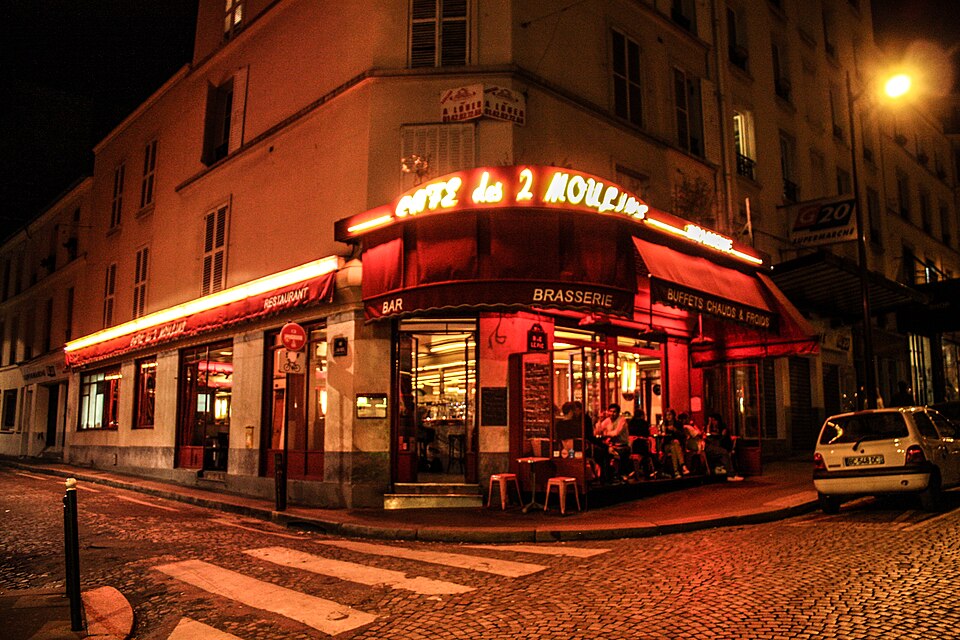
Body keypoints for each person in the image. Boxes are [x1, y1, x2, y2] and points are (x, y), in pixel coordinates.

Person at [704, 413, 743, 481]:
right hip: (710, 448)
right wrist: (709, 425)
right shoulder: (708, 427)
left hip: (723, 446)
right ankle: (727, 473)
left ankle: (730, 474)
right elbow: (707, 435)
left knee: (723, 452)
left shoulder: (722, 428)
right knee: (719, 451)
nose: (713, 422)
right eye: (711, 420)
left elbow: (722, 438)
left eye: (714, 420)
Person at [659, 408, 688, 478]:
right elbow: (663, 436)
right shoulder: (664, 424)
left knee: (674, 446)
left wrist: (675, 430)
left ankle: (676, 472)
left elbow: (683, 436)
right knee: (674, 444)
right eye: (666, 415)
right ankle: (683, 466)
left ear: (673, 415)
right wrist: (663, 433)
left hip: (675, 445)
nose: (668, 417)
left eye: (670, 415)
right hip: (667, 445)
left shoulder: (678, 424)